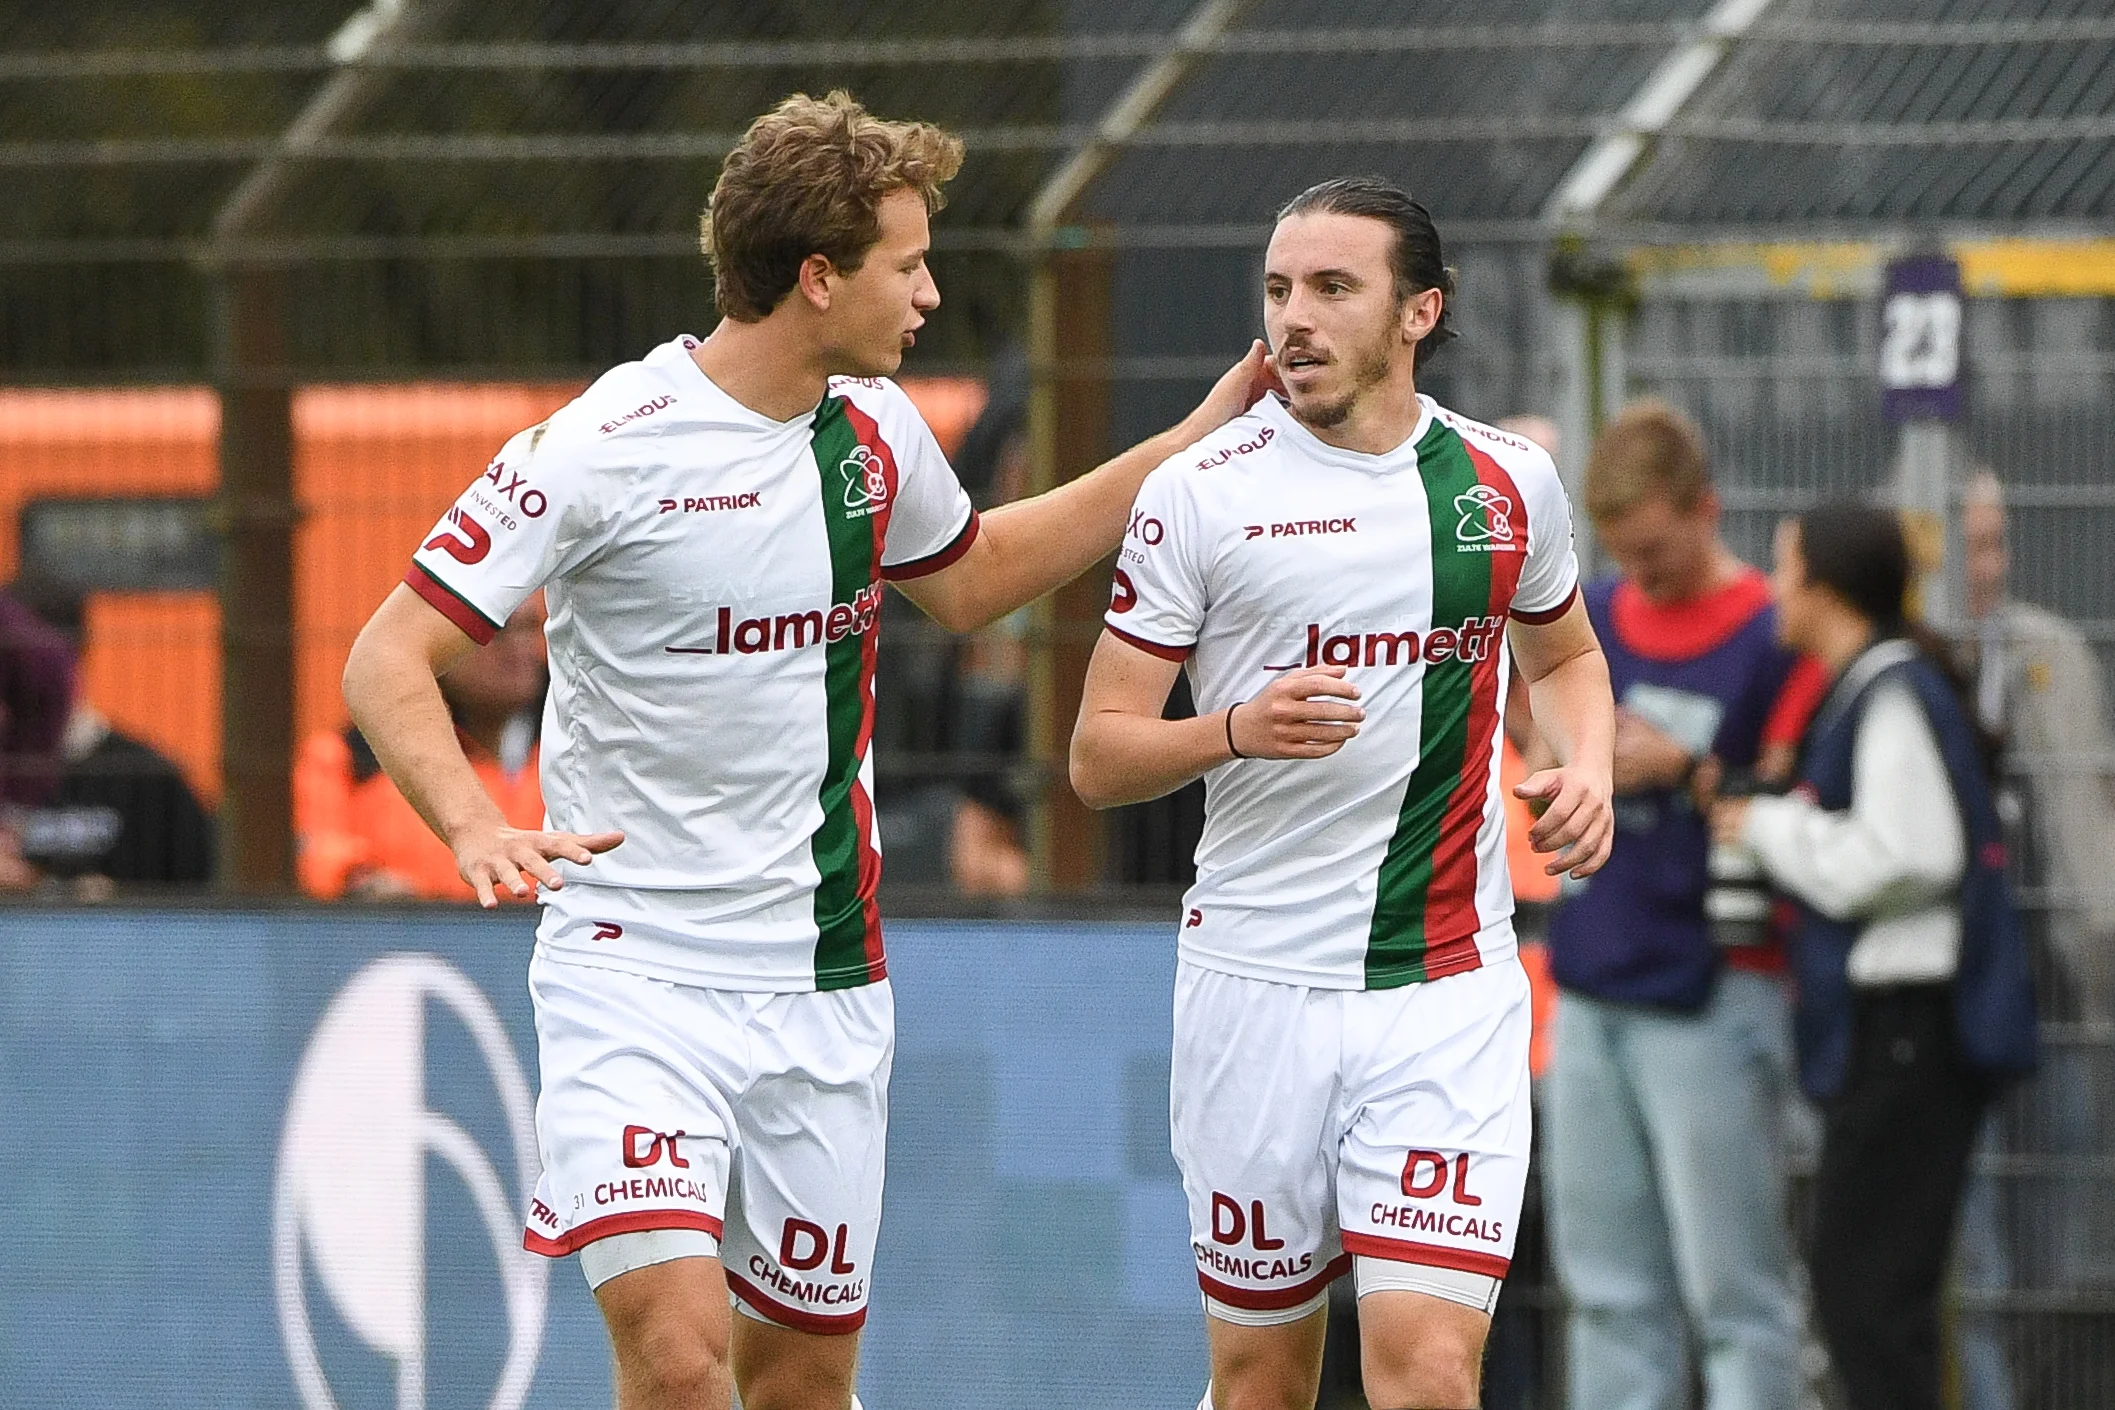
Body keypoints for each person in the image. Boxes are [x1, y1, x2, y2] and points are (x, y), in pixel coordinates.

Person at [340, 91, 1270, 1410]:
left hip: (824, 981)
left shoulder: (873, 435)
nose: (932, 295)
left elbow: (974, 575)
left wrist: (1179, 452)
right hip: (632, 974)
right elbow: (385, 656)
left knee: (799, 1382)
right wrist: (473, 824)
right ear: (817, 278)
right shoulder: (603, 446)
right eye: (907, 265)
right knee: (673, 1359)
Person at [1069, 176, 1616, 1410]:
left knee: (1428, 1371)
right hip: (1256, 992)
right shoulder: (1202, 494)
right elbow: (1098, 756)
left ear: (1420, 310)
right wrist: (1233, 731)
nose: (1293, 321)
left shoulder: (1505, 483)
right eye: (1276, 291)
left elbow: (1567, 657)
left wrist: (1587, 764)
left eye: (1330, 288)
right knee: (1263, 1381)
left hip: (1444, 992)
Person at [1708, 503, 2037, 1410]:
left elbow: (1911, 853)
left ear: (1822, 583)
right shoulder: (1877, 681)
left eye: (1783, 568)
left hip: (1906, 1030)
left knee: (1866, 1300)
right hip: (1895, 1037)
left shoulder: (1887, 688)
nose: (1773, 588)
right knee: (1872, 1296)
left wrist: (1772, 828)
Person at [1540, 400, 1821, 1410]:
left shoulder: (1773, 632)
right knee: (1609, 1291)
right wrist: (1575, 758)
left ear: (1708, 510)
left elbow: (1804, 807)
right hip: (1595, 981)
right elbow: (1543, 749)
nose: (1643, 578)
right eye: (1626, 555)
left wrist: (1689, 765)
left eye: (1659, 553)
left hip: (1714, 992)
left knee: (1734, 1292)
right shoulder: (1600, 618)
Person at [298, 597, 548, 901]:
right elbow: (317, 851)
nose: (520, 648)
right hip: (399, 939)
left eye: (530, 629)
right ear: (437, 646)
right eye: (497, 630)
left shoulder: (574, 752)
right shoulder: (350, 758)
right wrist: (363, 883)